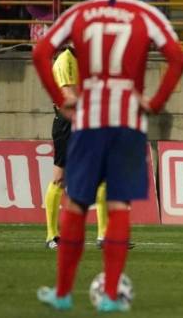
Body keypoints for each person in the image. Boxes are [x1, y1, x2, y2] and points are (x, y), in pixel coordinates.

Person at [33, 0, 183, 312]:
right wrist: (156, 102)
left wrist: (61, 100)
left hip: (88, 119)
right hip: (128, 122)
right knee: (118, 206)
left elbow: (41, 51)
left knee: (75, 202)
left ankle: (62, 292)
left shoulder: (81, 13)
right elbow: (177, 57)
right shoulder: (148, 16)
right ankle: (112, 295)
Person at [43, 47, 108, 250]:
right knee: (60, 178)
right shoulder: (66, 60)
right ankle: (52, 236)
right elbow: (68, 96)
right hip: (68, 123)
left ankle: (104, 236)